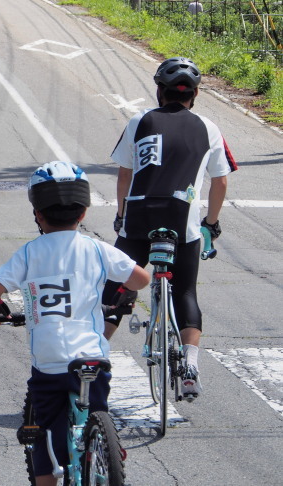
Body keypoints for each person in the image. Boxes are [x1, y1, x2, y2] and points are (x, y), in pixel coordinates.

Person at [0, 161, 149, 486]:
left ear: (38, 214)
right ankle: (100, 442)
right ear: (83, 212)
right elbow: (140, 278)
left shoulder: (30, 253)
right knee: (94, 409)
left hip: (49, 362)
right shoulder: (97, 249)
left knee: (44, 432)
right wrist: (126, 292)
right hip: (92, 359)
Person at [103, 57, 237, 400]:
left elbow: (124, 173)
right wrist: (210, 223)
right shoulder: (209, 128)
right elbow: (220, 181)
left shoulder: (139, 120)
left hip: (140, 217)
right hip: (183, 220)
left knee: (116, 288)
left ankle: (93, 357)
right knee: (185, 292)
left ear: (159, 91)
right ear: (194, 95)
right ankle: (190, 366)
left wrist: (121, 214)